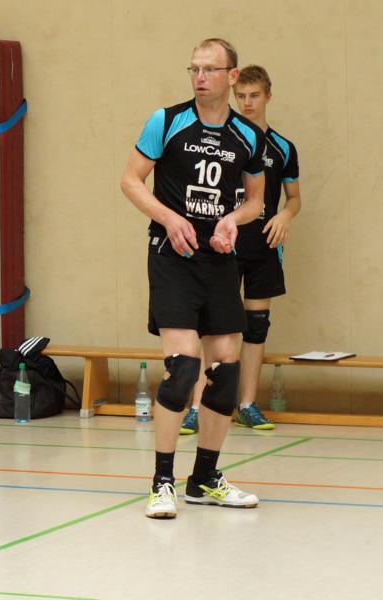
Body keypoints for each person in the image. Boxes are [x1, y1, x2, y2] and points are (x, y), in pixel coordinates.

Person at [120, 38, 266, 519]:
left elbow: (255, 202)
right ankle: (162, 480)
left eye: (210, 69)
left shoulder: (248, 136)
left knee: (224, 372)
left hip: (220, 261)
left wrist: (233, 221)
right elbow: (130, 181)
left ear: (232, 75)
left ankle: (204, 479)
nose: (200, 77)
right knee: (183, 368)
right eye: (194, 69)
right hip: (172, 257)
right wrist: (168, 218)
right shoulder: (166, 121)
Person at [180, 65, 300, 434]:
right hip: (224, 246)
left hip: (264, 247)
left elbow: (294, 198)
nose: (247, 102)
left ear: (268, 96)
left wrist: (285, 215)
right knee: (215, 327)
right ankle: (199, 406)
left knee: (256, 325)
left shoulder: (282, 148)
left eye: (254, 96)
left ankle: (247, 404)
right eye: (241, 96)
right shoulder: (227, 139)